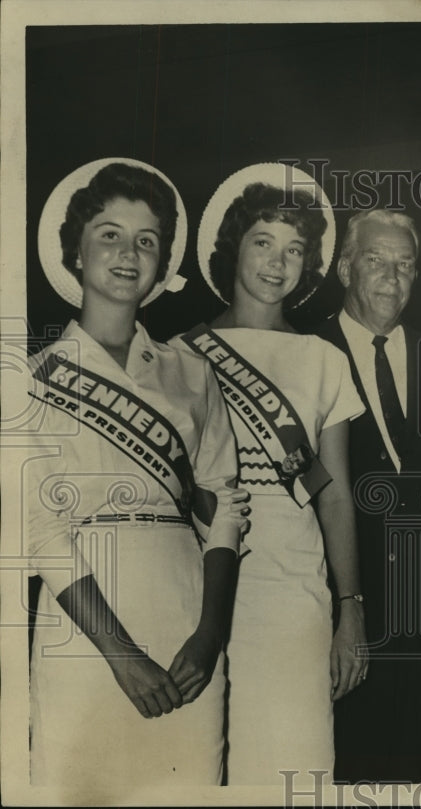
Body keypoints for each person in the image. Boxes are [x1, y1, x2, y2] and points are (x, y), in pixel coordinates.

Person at [26, 159, 248, 787]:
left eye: (147, 240)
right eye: (109, 234)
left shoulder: (191, 373)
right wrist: (121, 655)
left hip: (186, 615)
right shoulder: (30, 381)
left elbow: (226, 505)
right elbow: (39, 530)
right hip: (83, 624)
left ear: (162, 264)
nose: (129, 252)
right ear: (75, 251)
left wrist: (210, 634)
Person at [176, 165, 368, 785]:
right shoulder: (178, 352)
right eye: (263, 242)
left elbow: (334, 496)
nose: (277, 263)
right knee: (196, 766)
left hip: (293, 593)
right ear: (235, 245)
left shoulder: (323, 359)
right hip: (196, 588)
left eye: (295, 251)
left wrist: (351, 609)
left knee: (292, 765)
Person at [313, 209, 421, 782]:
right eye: (376, 260)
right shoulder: (308, 353)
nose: (391, 276)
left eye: (405, 264)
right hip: (344, 601)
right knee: (353, 759)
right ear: (346, 267)